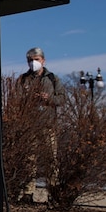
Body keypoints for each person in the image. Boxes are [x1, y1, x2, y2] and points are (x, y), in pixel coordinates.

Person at [16, 47, 65, 201]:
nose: (33, 63)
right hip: (30, 125)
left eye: (36, 59)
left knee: (51, 159)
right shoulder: (23, 79)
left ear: (43, 60)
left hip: (48, 124)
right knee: (29, 160)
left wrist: (48, 99)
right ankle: (28, 192)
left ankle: (53, 192)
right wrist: (29, 99)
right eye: (30, 60)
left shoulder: (52, 78)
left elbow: (62, 99)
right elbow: (16, 100)